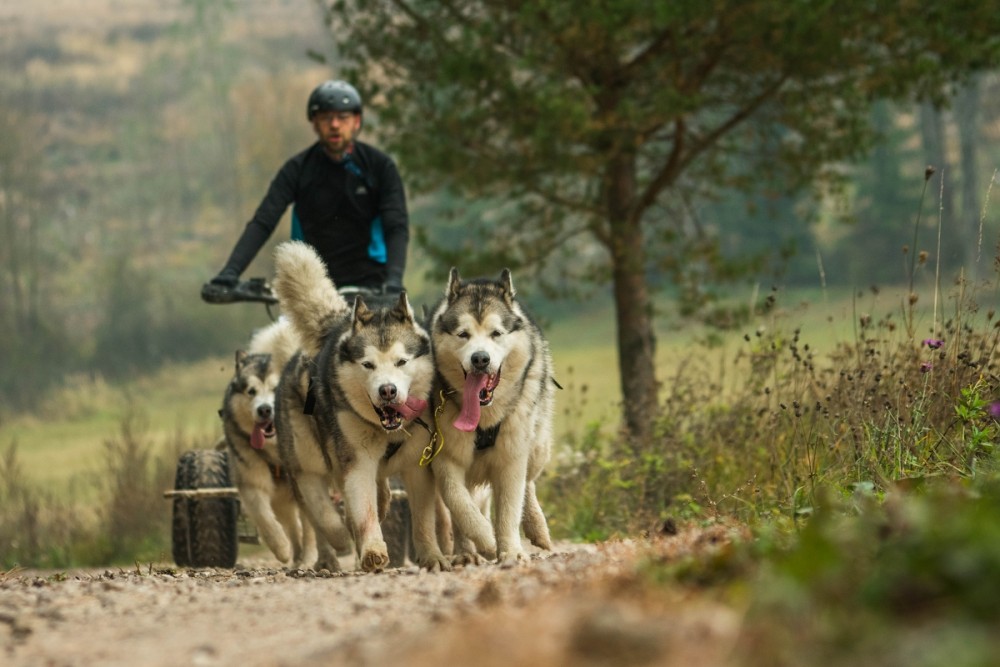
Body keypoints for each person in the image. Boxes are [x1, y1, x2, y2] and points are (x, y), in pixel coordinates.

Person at [204, 80, 409, 299]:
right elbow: (264, 221)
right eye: (326, 118)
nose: (335, 125)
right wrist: (230, 273)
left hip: (372, 289)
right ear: (314, 123)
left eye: (343, 117)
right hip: (312, 289)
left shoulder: (380, 167)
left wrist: (394, 280)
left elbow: (396, 226)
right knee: (272, 335)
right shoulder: (297, 169)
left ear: (357, 121)